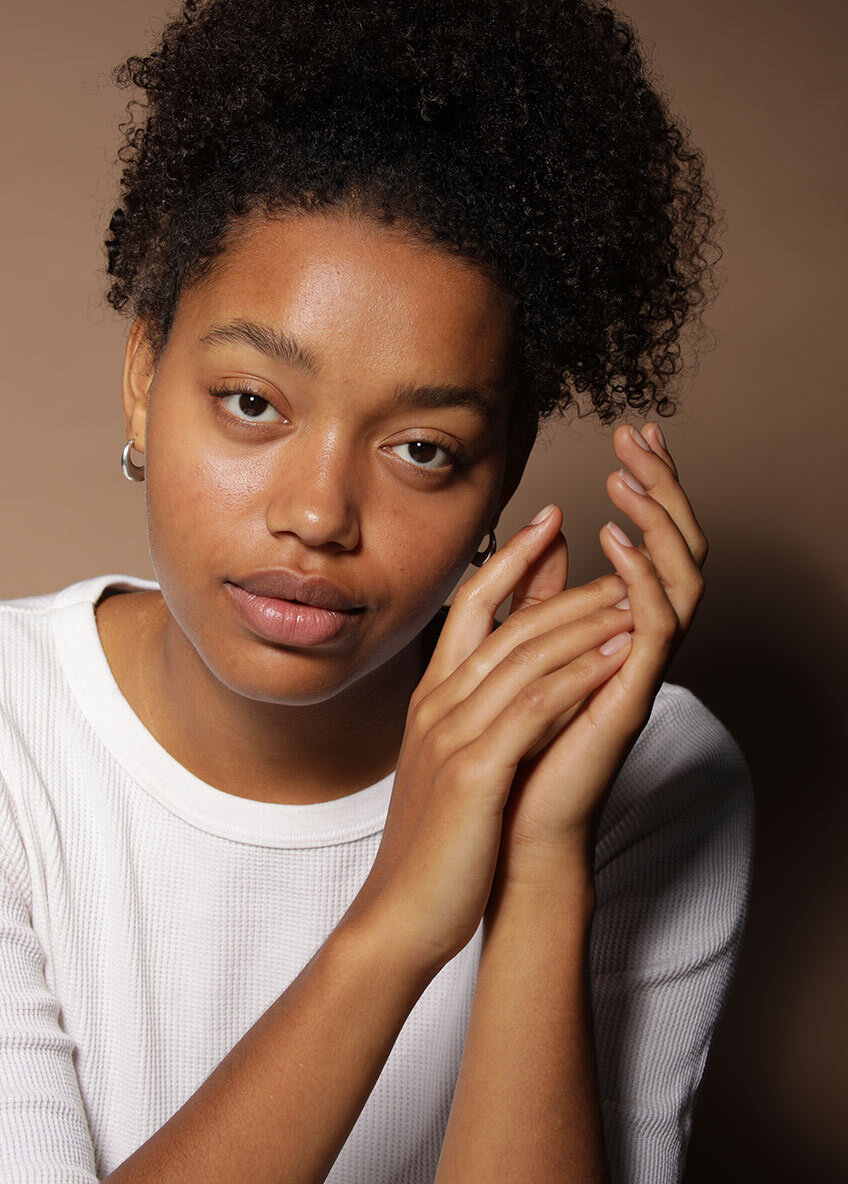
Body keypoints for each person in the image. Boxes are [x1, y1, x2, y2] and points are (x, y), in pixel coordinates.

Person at [0, 0, 754, 1181]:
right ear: (144, 375)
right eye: (253, 403)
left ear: (503, 463)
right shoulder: (15, 732)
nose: (318, 515)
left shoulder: (645, 769)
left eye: (421, 448)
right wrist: (396, 921)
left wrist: (538, 862)